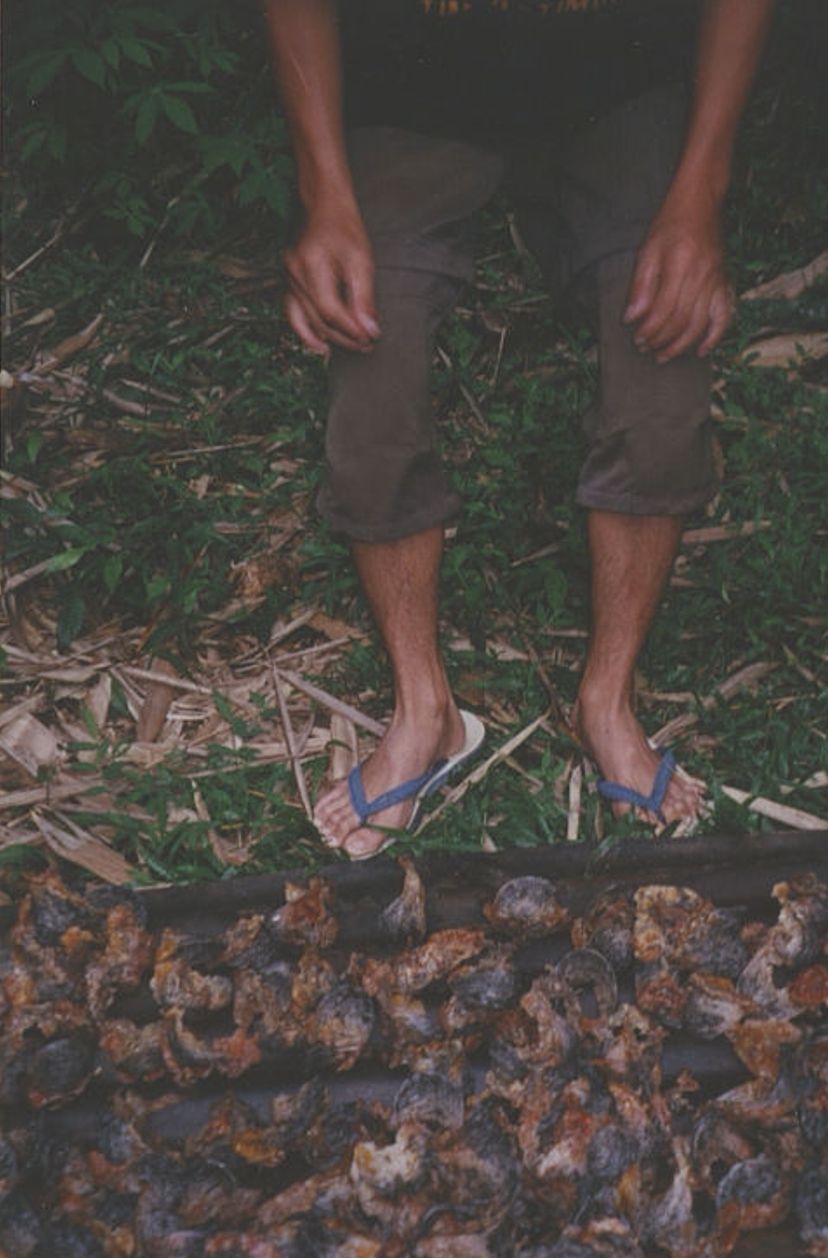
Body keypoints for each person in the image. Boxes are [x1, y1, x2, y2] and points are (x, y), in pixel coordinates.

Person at [264, 0, 775, 858]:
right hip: (419, 97)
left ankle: (606, 702)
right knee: (371, 366)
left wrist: (700, 197)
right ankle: (424, 710)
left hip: (618, 88)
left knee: (663, 382)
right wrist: (326, 194)